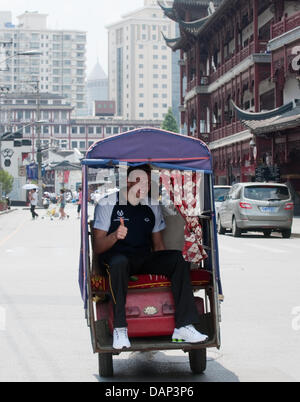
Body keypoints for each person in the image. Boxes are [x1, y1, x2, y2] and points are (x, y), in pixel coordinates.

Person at [93, 165, 208, 350]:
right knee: (120, 262)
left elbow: (158, 245)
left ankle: (184, 326)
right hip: (117, 259)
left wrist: (164, 265)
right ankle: (120, 329)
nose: (144, 186)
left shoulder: (151, 205)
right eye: (140, 181)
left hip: (142, 258)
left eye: (147, 182)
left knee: (178, 259)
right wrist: (115, 235)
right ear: (128, 181)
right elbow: (98, 246)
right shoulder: (108, 204)